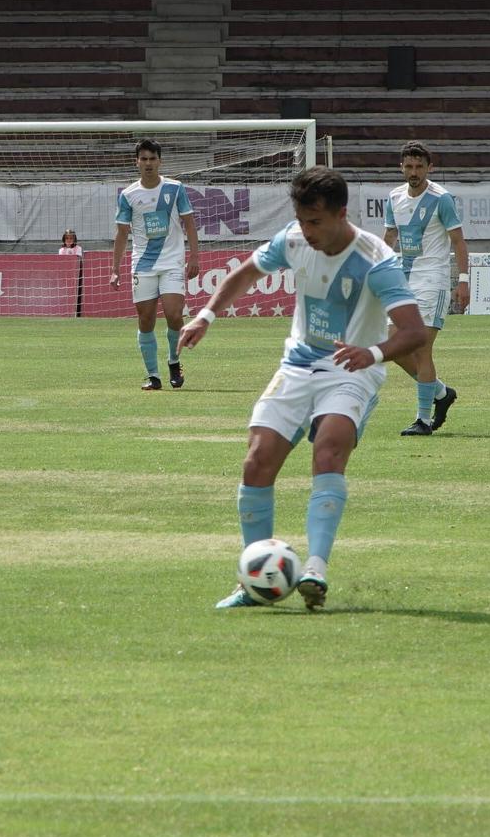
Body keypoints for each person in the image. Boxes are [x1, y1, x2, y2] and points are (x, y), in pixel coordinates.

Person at [180, 167, 426, 611]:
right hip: (296, 365)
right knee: (256, 461)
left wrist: (371, 353)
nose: (306, 230)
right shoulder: (292, 240)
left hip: (350, 369)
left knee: (328, 451)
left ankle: (315, 568)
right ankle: (254, 582)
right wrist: (206, 316)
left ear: (341, 214)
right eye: (301, 219)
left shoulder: (376, 259)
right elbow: (244, 274)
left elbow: (414, 332)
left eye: (315, 221)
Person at [382, 141, 468, 435]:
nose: (414, 172)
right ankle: (441, 393)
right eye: (409, 166)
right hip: (404, 280)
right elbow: (390, 237)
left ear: (430, 168)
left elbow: (458, 241)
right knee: (392, 347)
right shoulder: (394, 197)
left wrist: (463, 280)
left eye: (419, 166)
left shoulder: (441, 199)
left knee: (421, 348)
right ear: (401, 168)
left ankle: (423, 419)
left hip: (433, 279)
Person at [110, 139, 201, 391]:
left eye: (152, 158)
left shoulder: (175, 188)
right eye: (144, 159)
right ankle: (153, 375)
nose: (148, 163)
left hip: (172, 262)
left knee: (174, 315)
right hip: (143, 264)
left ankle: (174, 362)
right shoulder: (128, 195)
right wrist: (115, 269)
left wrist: (194, 257)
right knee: (146, 319)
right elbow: (121, 233)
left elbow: (189, 223)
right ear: (136, 162)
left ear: (160, 161)